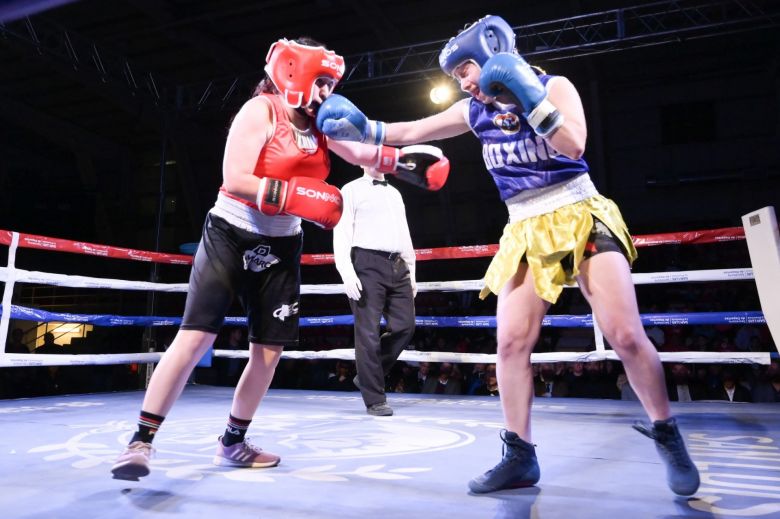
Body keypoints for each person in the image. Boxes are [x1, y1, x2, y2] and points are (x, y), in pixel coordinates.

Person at [315, 15, 700, 496]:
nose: (463, 82)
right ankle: (519, 455)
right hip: (523, 223)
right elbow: (411, 130)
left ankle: (667, 432)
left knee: (623, 333)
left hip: (578, 208)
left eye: (466, 70)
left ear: (492, 54)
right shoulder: (471, 111)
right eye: (457, 77)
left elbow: (575, 144)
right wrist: (363, 128)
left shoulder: (553, 86)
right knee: (511, 344)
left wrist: (529, 99)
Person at [110, 37, 449, 481]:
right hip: (231, 232)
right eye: (322, 80)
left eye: (331, 83)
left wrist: (407, 162)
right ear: (295, 71)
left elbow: (368, 149)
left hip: (282, 242)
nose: (327, 91)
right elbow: (235, 177)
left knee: (268, 351)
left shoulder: (324, 121)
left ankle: (233, 442)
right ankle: (141, 441)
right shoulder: (261, 111)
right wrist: (295, 194)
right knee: (194, 340)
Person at [332, 165, 419, 416]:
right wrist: (346, 271)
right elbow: (342, 230)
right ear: (360, 161)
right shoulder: (350, 190)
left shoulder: (395, 193)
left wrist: (412, 271)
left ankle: (369, 375)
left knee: (405, 327)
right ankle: (375, 399)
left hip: (398, 264)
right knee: (368, 332)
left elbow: (405, 233)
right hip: (366, 263)